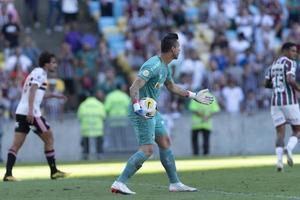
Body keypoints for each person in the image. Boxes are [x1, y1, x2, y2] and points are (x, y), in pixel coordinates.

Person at [110, 33, 214, 194]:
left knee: (165, 142)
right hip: (142, 111)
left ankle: (175, 183)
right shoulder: (153, 65)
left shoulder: (165, 66)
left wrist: (193, 96)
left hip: (152, 110)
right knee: (147, 150)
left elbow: (172, 87)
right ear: (172, 49)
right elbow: (134, 87)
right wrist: (138, 108)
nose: (180, 50)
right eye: (178, 47)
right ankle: (119, 183)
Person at [3, 51, 68, 181]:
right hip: (31, 113)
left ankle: (8, 174)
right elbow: (32, 89)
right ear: (46, 64)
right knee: (49, 138)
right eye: (53, 62)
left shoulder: (36, 72)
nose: (55, 65)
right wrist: (31, 111)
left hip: (21, 112)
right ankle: (54, 171)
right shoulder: (40, 73)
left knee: (16, 145)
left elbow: (37, 94)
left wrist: (54, 95)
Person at [264, 42, 300, 172]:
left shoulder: (272, 65)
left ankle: (279, 162)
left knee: (280, 133)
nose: (294, 54)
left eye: (295, 51)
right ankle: (289, 148)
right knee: (297, 130)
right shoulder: (290, 63)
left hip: (275, 103)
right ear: (284, 51)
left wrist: (277, 86)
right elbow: (290, 79)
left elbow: (266, 84)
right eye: (292, 51)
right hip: (289, 101)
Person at [77, 93, 106, 160]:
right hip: (97, 128)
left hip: (86, 128)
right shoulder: (99, 104)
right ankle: (99, 154)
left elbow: (79, 116)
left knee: (85, 142)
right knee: (99, 142)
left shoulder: (83, 105)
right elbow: (104, 116)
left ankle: (85, 155)